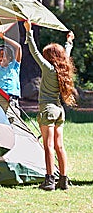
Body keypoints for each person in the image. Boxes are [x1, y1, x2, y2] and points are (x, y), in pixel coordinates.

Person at [24, 20, 76, 191]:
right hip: (60, 110)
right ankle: (64, 180)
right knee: (60, 146)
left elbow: (34, 52)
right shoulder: (63, 69)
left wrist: (29, 32)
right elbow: (67, 53)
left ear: (50, 58)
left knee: (48, 147)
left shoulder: (49, 69)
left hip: (48, 110)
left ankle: (49, 180)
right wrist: (69, 41)